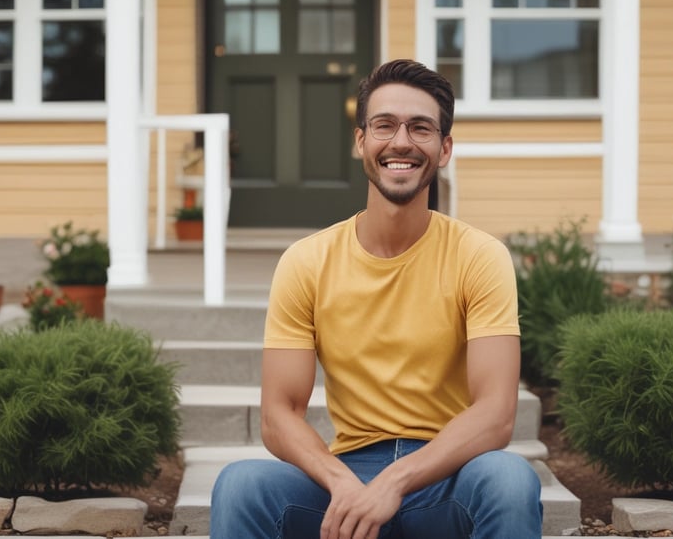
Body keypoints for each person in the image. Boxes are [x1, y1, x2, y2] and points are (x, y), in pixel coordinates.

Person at [211, 59, 543, 539]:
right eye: (384, 125)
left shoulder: (479, 256)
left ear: (444, 148)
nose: (402, 142)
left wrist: (395, 481)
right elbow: (277, 414)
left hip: (447, 476)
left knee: (510, 479)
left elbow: (496, 414)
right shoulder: (307, 261)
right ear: (361, 140)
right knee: (241, 484)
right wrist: (343, 484)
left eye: (421, 128)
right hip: (346, 478)